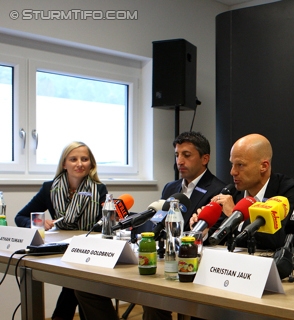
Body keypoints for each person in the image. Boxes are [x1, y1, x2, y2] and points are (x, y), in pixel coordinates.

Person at [75, 131, 227, 320]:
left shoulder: (219, 189)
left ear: (205, 158)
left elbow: (214, 234)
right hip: (162, 259)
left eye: (186, 155)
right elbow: (157, 222)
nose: (180, 161)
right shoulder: (170, 188)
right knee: (86, 286)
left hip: (192, 264)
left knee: (154, 301)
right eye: (177, 155)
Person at [15, 141, 107, 320]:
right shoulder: (49, 189)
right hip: (59, 250)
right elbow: (21, 217)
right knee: (77, 282)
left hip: (89, 251)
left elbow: (103, 225)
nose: (79, 164)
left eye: (84, 159)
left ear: (91, 164)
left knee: (76, 281)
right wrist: (39, 223)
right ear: (64, 164)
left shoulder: (99, 189)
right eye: (73, 159)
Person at [197, 133, 294, 250]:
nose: (232, 172)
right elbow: (218, 237)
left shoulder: (291, 191)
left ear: (263, 166)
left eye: (240, 165)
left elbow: (280, 240)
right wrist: (204, 231)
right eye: (232, 164)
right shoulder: (233, 193)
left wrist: (234, 218)